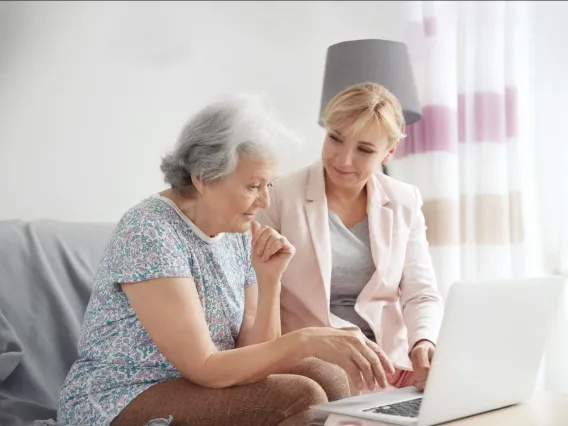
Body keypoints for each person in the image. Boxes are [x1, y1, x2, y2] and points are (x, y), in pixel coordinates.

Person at [57, 94, 395, 426]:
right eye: (253, 186)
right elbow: (204, 367)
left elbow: (256, 354)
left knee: (327, 376)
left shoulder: (236, 230)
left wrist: (270, 279)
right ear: (203, 178)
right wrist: (305, 340)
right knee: (299, 395)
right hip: (119, 399)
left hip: (197, 387)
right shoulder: (149, 232)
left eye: (268, 185)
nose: (264, 200)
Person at [255, 83, 445, 393]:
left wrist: (423, 340)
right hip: (313, 368)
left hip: (388, 368)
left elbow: (420, 292)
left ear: (389, 151)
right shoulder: (278, 195)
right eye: (335, 139)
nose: (344, 160)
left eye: (365, 150)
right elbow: (257, 297)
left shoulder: (404, 200)